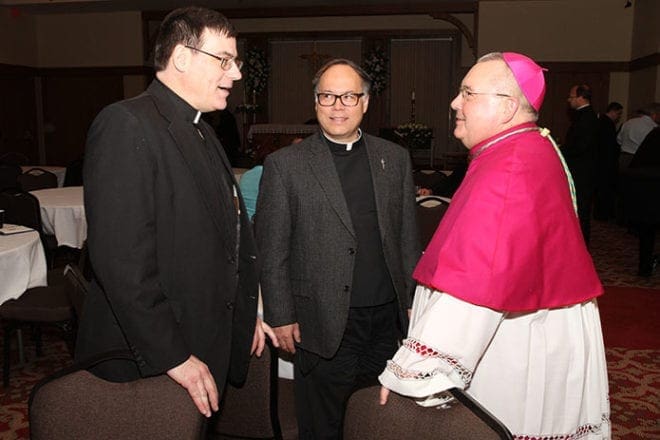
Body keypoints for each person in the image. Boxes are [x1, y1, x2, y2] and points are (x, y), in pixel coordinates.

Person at [379, 52, 610, 439]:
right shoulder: (525, 146)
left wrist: (416, 369)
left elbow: (478, 277)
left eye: (467, 92)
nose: (455, 102)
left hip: (515, 341)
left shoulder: (511, 165)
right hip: (526, 321)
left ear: (505, 107)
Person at [75, 6, 267, 420]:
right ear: (182, 58)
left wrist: (244, 311)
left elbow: (225, 236)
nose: (235, 74)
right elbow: (121, 263)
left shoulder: (201, 128)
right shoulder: (126, 123)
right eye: (225, 60)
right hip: (150, 362)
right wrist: (174, 356)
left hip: (201, 341)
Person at [256, 58, 420, 439]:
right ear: (315, 103)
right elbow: (272, 247)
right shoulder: (285, 165)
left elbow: (407, 237)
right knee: (322, 424)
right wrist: (280, 313)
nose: (338, 106)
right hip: (322, 321)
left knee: (374, 418)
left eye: (348, 96)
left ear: (365, 102)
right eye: (327, 96)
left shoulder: (393, 159)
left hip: (384, 321)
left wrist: (413, 300)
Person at [561, 84, 599, 245]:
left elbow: (580, 146)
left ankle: (580, 247)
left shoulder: (586, 118)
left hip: (582, 172)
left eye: (571, 96)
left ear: (581, 98)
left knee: (581, 211)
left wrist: (561, 150)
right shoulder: (585, 116)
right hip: (584, 170)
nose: (569, 100)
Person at [622, 126, 660, 276]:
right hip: (650, 187)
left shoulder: (654, 134)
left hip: (646, 190)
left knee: (647, 235)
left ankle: (644, 268)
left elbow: (636, 164)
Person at [593, 101, 623, 221]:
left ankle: (601, 214)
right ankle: (604, 215)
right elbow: (609, 146)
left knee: (601, 189)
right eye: (619, 113)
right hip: (606, 163)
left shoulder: (601, 122)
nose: (619, 116)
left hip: (601, 161)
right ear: (613, 111)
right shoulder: (607, 124)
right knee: (605, 190)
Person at [617, 103, 660, 170]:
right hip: (639, 161)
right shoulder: (653, 127)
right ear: (655, 115)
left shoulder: (628, 122)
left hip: (623, 159)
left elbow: (619, 140)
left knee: (622, 179)